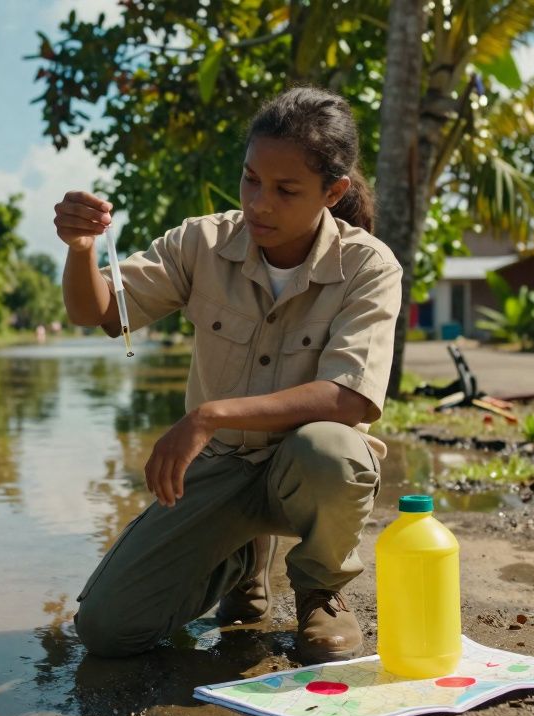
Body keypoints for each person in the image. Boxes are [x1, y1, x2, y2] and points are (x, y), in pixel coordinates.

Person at [54, 86, 402, 665]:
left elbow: (349, 399)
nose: (260, 203)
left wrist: (210, 415)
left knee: (333, 450)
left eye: (286, 190)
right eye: (250, 180)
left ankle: (320, 590)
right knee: (108, 630)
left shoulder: (367, 265)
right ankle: (241, 559)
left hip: (306, 471)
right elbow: (101, 312)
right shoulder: (202, 242)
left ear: (333, 192)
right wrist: (81, 249)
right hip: (222, 469)